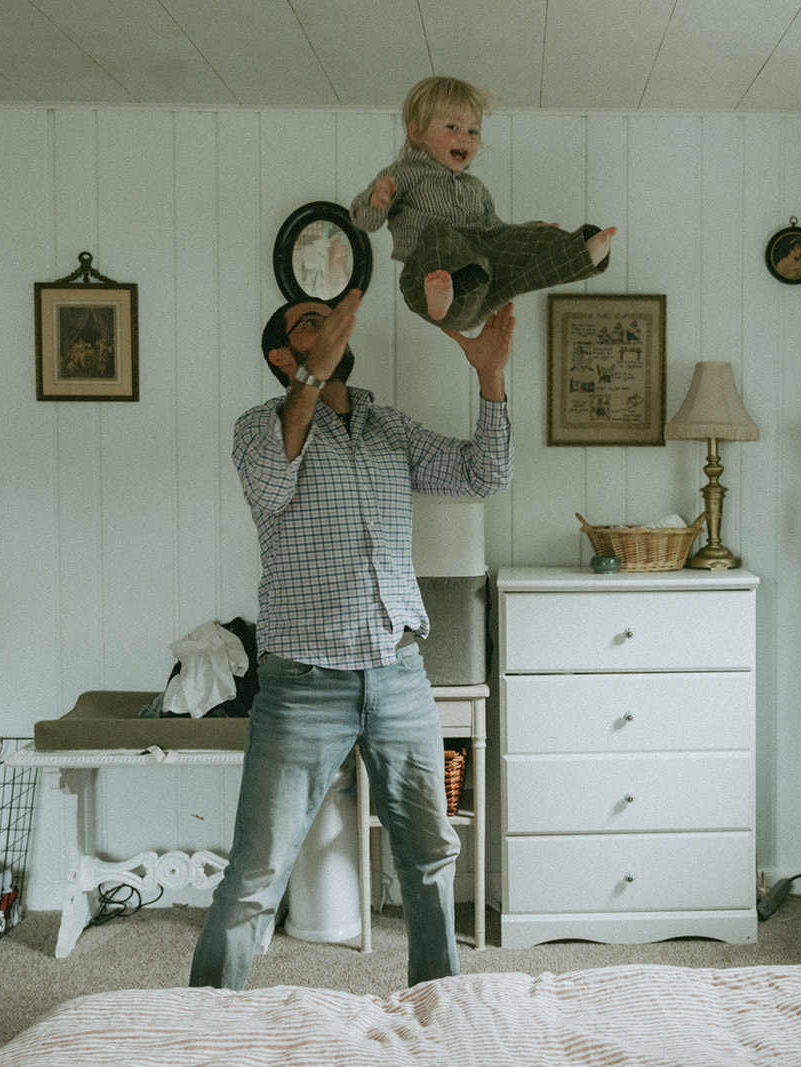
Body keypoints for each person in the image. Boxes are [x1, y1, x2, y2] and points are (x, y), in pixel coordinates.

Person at [189, 290, 516, 991]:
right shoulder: (259, 426)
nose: (330, 326)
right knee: (255, 871)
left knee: (430, 857)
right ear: (283, 355)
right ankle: (204, 1028)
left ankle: (438, 1014)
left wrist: (490, 378)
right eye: (311, 323)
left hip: (398, 673)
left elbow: (483, 475)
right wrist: (313, 381)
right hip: (302, 683)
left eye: (331, 317)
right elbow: (272, 488)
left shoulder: (386, 426)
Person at [351, 75, 616, 333]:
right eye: (452, 127)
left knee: (524, 241)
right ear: (417, 131)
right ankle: (443, 292)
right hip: (425, 280)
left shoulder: (475, 188)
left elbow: (497, 231)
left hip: (480, 292)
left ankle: (578, 253)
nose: (465, 137)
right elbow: (365, 223)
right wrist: (377, 201)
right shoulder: (404, 173)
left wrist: (532, 230)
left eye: (473, 130)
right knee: (440, 234)